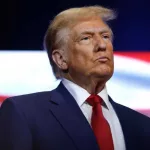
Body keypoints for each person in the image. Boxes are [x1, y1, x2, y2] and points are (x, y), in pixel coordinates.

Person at [0, 6, 150, 150]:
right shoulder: (24, 112)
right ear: (61, 59)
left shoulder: (141, 124)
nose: (102, 45)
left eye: (105, 36)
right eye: (86, 38)